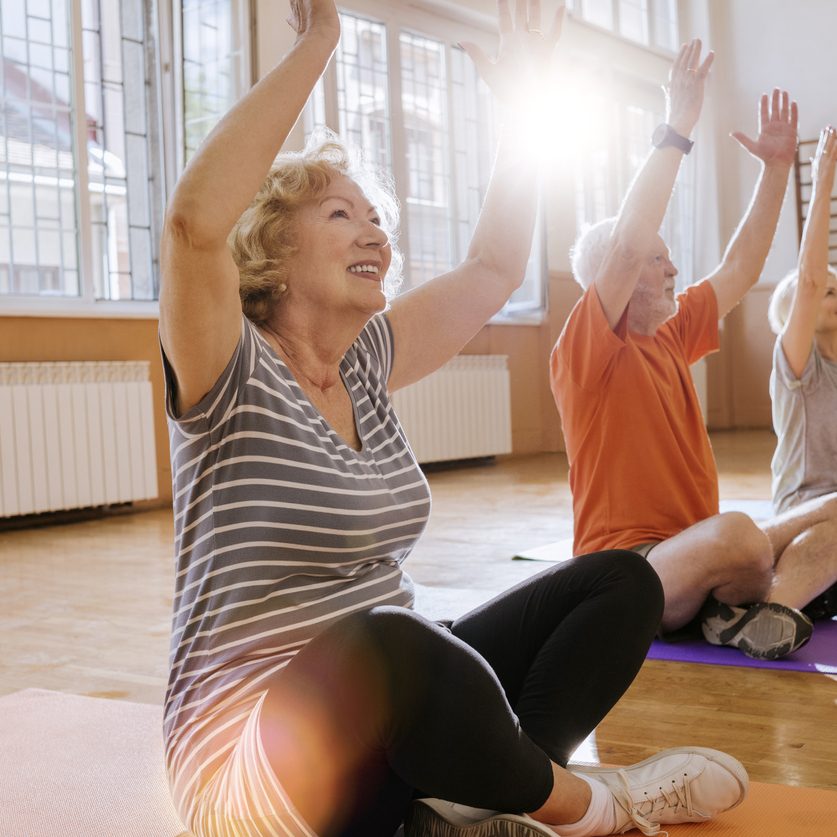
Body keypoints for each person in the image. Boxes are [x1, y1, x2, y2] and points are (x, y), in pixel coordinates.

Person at [158, 2, 748, 835]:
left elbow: (494, 264)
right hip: (257, 766)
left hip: (384, 737)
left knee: (621, 581)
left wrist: (522, 107)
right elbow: (192, 226)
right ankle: (595, 806)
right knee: (392, 644)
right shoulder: (229, 367)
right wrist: (319, 41)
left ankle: (474, 807)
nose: (375, 233)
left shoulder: (364, 362)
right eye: (341, 215)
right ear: (272, 249)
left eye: (377, 219)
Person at [550, 40, 821, 661]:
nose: (672, 268)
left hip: (694, 550)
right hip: (628, 571)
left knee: (830, 513)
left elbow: (740, 267)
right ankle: (737, 603)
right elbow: (626, 243)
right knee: (741, 539)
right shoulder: (586, 347)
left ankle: (755, 612)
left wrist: (777, 169)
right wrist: (677, 127)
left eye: (669, 257)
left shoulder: (673, 330)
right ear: (617, 279)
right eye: (657, 259)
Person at [765, 125, 837, 622]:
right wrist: (823, 176)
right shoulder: (796, 362)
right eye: (827, 292)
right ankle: (767, 609)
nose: (832, 294)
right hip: (803, 511)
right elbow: (808, 280)